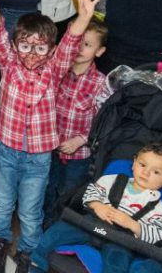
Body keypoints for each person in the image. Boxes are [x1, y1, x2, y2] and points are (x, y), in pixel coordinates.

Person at [0, 0, 100, 273]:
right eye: (25, 45)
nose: (32, 53)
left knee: (30, 212)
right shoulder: (9, 64)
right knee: (1, 205)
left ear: (51, 48)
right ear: (16, 43)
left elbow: (71, 42)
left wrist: (84, 17)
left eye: (40, 47)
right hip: (5, 151)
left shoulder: (54, 68)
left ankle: (26, 255)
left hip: (38, 157)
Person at [31, 142, 162, 272]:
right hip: (90, 225)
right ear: (133, 163)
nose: (146, 172)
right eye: (142, 165)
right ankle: (36, 264)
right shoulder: (113, 180)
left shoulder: (160, 208)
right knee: (55, 233)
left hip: (121, 241)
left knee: (117, 264)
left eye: (156, 172)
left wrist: (133, 225)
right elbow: (90, 191)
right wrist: (97, 205)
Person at [42, 19, 111, 228]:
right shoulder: (57, 72)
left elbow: (103, 122)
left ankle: (57, 230)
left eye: (88, 45)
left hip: (79, 155)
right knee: (47, 188)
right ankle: (43, 226)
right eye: (78, 42)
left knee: (68, 194)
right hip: (52, 148)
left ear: (99, 51)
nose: (80, 48)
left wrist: (80, 140)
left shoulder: (101, 83)